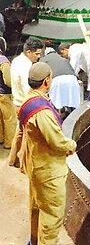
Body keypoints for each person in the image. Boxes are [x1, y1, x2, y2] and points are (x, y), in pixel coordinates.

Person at [16, 61, 77, 245]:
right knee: (52, 215)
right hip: (48, 171)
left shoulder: (28, 99)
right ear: (46, 81)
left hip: (34, 164)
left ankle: (34, 241)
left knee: (37, 207)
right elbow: (57, 141)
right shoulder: (42, 110)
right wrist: (72, 144)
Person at [8, 36, 44, 166]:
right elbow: (27, 88)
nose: (38, 57)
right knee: (28, 136)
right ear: (29, 52)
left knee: (20, 132)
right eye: (37, 54)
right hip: (25, 103)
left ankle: (12, 159)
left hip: (17, 101)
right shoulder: (26, 65)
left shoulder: (17, 60)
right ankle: (23, 163)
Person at [40, 47, 81, 119]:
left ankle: (58, 120)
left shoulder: (43, 60)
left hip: (57, 80)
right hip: (72, 79)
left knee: (57, 103)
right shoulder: (63, 59)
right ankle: (74, 119)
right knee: (72, 100)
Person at [0, 37, 16, 149]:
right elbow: (8, 80)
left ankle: (0, 138)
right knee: (9, 118)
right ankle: (9, 143)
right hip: (4, 94)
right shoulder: (3, 60)